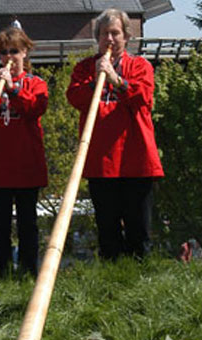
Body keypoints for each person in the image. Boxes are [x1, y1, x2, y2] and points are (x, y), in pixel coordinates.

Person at [66, 8, 164, 260]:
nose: (109, 39)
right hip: (101, 161)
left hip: (136, 159)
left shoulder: (140, 65)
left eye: (115, 33)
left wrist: (116, 79)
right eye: (103, 34)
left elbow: (143, 96)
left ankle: (139, 285)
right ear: (96, 37)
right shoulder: (85, 68)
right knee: (107, 230)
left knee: (138, 230)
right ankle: (112, 282)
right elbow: (74, 98)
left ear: (126, 37)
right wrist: (95, 80)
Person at [0, 27, 48, 276]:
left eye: (14, 51)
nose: (9, 57)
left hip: (26, 165)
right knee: (0, 226)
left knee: (28, 224)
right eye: (4, 52)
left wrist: (13, 89)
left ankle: (29, 273)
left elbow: (34, 108)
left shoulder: (36, 83)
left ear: (25, 52)